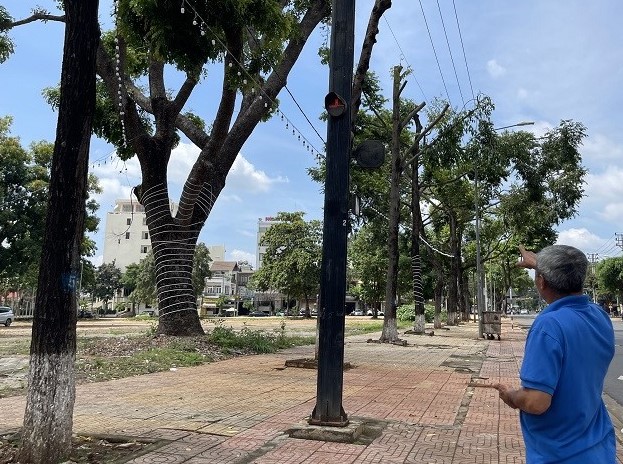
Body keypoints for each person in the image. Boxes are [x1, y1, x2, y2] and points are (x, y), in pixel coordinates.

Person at [495, 244, 615, 463]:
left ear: (541, 282)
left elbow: (536, 402)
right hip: (600, 449)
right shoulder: (599, 316)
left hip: (559, 455)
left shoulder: (548, 326)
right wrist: (541, 264)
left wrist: (510, 396)